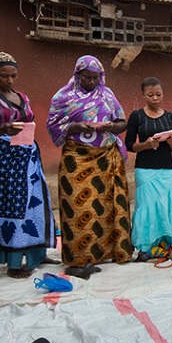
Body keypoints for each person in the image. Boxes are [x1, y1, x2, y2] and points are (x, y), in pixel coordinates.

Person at [47, 55, 132, 277]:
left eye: (96, 78)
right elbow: (53, 126)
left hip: (106, 158)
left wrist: (109, 127)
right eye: (87, 77)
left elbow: (123, 121)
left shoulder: (106, 94)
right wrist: (76, 125)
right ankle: (78, 260)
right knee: (78, 208)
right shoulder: (62, 97)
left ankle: (104, 252)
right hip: (76, 158)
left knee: (104, 207)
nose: (92, 82)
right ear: (77, 75)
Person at [0, 52, 55, 278]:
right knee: (12, 209)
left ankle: (37, 253)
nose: (9, 81)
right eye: (3, 76)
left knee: (35, 205)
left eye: (13, 76)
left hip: (27, 156)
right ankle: (14, 263)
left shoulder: (23, 97)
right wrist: (2, 130)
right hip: (2, 160)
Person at [125, 76, 172, 258]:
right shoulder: (136, 116)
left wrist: (170, 141)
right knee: (148, 209)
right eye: (150, 95)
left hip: (167, 170)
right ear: (143, 95)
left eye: (158, 94)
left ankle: (167, 246)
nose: (155, 98)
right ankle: (146, 248)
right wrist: (145, 145)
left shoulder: (170, 117)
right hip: (145, 170)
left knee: (168, 208)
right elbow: (129, 144)